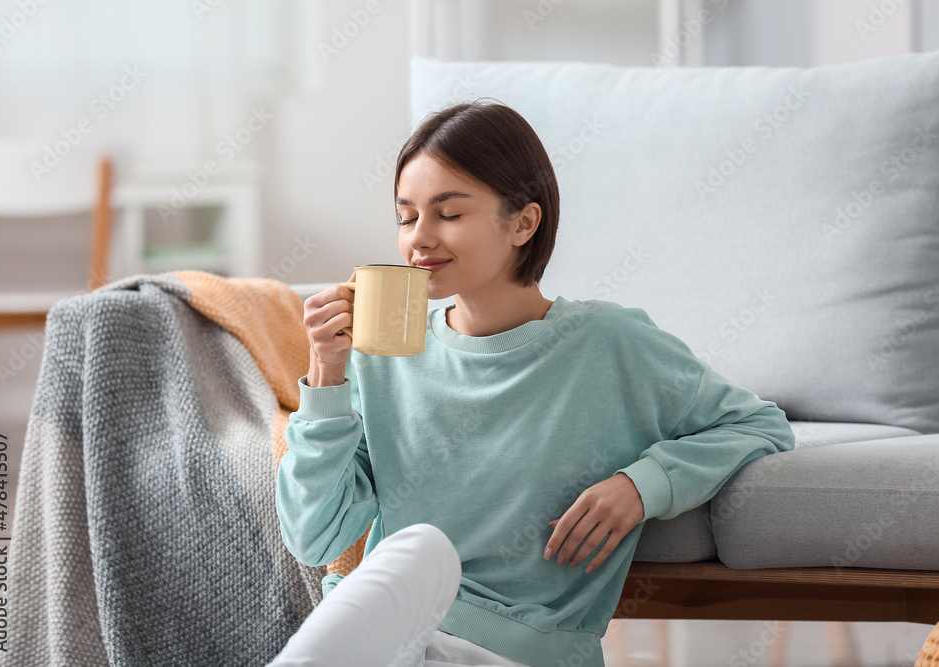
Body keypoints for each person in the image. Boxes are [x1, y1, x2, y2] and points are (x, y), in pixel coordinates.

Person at [271, 99, 796, 667]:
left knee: (420, 554)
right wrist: (326, 375)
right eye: (406, 216)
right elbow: (314, 539)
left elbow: (757, 423)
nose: (418, 239)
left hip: (514, 653)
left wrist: (641, 486)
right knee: (414, 560)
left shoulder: (609, 342)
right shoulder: (383, 356)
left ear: (523, 222)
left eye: (448, 214)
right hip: (391, 644)